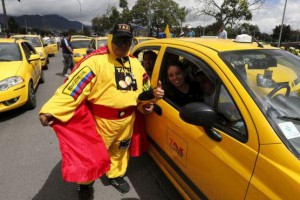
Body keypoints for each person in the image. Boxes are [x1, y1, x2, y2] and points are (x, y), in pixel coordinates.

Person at [38, 22, 164, 199]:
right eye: (119, 41)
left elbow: (142, 92)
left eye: (126, 42)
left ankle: (115, 175)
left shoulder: (136, 65)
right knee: (90, 156)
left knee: (120, 151)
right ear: (111, 39)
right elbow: (73, 89)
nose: (122, 46)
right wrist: (51, 110)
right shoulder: (95, 61)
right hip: (101, 123)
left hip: (127, 121)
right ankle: (85, 184)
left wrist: (150, 100)